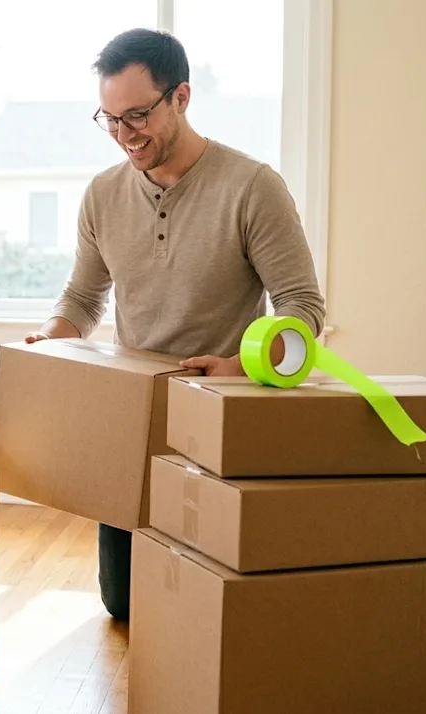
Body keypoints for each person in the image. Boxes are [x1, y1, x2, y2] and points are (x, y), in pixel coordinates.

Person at [26, 29, 326, 620]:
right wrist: (51, 341)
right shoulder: (103, 194)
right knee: (125, 605)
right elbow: (85, 297)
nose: (124, 135)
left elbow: (304, 311)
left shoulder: (252, 188)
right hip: (132, 425)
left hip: (220, 416)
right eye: (110, 119)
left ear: (182, 97)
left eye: (137, 116)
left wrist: (239, 367)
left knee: (213, 607)